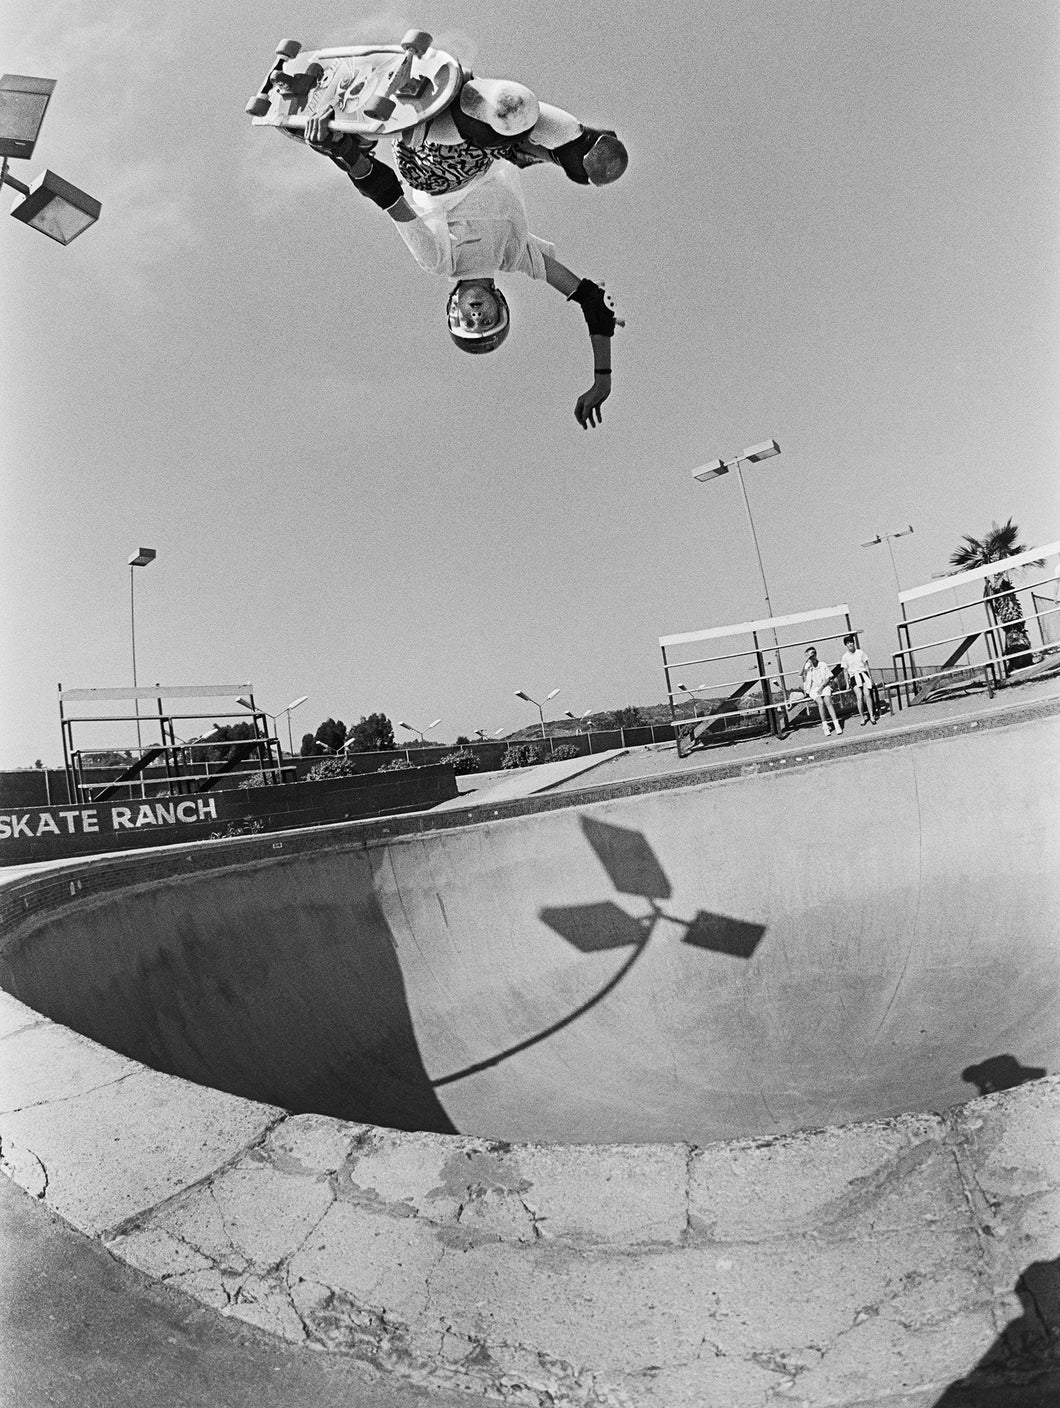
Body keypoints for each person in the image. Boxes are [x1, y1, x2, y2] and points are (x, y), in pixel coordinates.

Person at [299, 74, 626, 429]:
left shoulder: (439, 261)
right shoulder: (517, 254)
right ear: (499, 304)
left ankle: (367, 137)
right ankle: (484, 108)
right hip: (496, 150)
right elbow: (592, 300)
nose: (476, 315)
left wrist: (344, 154)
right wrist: (602, 379)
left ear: (453, 309)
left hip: (429, 166)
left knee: (502, 118)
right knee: (596, 163)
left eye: (468, 323)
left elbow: (389, 197)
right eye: (486, 320)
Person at [801, 646, 842, 737]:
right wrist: (806, 662)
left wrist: (822, 687)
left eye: (813, 655)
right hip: (813, 689)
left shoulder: (822, 664)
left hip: (824, 686)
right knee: (820, 702)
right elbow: (800, 674)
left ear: (816, 655)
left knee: (828, 701)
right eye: (810, 656)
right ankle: (825, 725)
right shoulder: (808, 667)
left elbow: (829, 677)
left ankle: (836, 724)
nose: (812, 657)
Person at [840, 634, 878, 725]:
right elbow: (845, 671)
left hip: (863, 675)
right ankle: (862, 717)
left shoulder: (860, 652)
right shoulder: (845, 657)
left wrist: (870, 678)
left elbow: (866, 665)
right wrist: (848, 683)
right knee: (859, 696)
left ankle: (871, 715)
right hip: (854, 677)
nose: (850, 644)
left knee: (867, 694)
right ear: (846, 645)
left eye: (851, 642)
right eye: (848, 643)